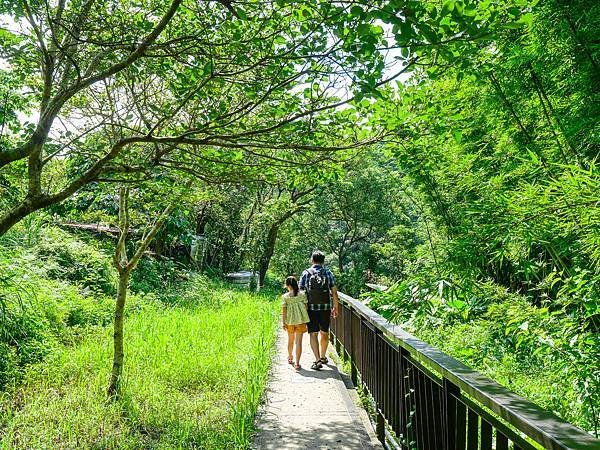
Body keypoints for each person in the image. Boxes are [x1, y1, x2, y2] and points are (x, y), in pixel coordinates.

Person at [299, 250, 339, 370]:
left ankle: (317, 360)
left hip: (310, 308)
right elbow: (334, 292)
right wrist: (335, 307)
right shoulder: (328, 273)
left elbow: (301, 292)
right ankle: (323, 356)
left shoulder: (306, 273)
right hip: (325, 307)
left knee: (313, 334)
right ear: (323, 261)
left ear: (312, 260)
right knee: (324, 332)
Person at [281, 276, 309, 371]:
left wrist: (283, 322)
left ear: (287, 285)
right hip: (301, 321)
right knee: (299, 342)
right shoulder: (302, 294)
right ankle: (297, 363)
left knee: (290, 340)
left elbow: (284, 311)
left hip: (290, 322)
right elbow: (306, 307)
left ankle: (289, 357)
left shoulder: (285, 297)